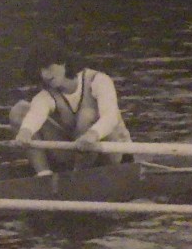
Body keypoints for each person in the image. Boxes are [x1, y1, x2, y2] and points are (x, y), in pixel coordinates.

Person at [10, 37, 132, 176]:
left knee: (87, 116)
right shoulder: (46, 95)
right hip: (76, 153)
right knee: (20, 111)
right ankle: (44, 175)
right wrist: (26, 132)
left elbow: (110, 118)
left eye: (48, 67)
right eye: (40, 70)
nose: (44, 75)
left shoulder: (99, 80)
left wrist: (92, 134)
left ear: (63, 62)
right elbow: (36, 114)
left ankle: (77, 177)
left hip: (112, 153)